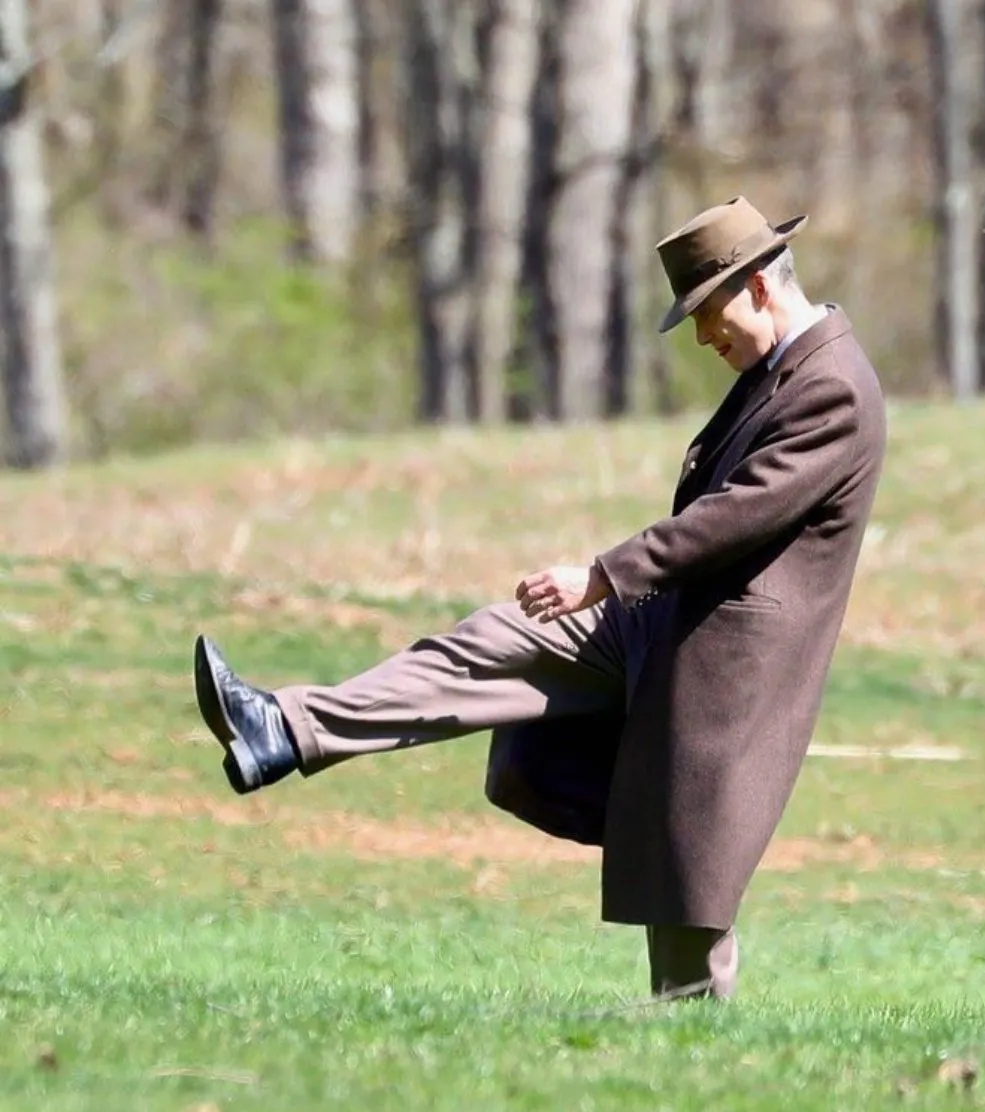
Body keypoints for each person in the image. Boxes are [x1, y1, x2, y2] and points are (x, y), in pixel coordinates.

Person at [193, 195, 887, 1001]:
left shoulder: (832, 387)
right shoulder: (782, 367)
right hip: (659, 621)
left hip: (728, 662)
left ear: (761, 285)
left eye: (708, 312)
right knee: (496, 639)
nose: (703, 336)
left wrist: (602, 574)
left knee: (691, 885)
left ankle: (695, 1048)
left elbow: (735, 516)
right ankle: (285, 727)